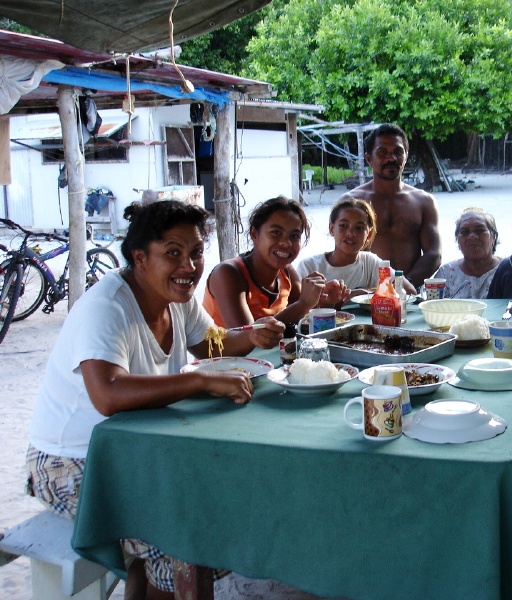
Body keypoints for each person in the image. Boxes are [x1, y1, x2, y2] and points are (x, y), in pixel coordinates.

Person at [25, 200, 285, 599]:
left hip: (139, 449)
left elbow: (211, 343)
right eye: (173, 253)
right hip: (73, 462)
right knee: (179, 536)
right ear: (139, 258)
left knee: (218, 497)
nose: (189, 266)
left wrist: (250, 336)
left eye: (196, 252)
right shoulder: (108, 306)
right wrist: (200, 382)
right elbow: (108, 394)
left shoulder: (176, 299)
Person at [203, 196, 348, 327]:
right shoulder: (228, 273)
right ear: (255, 234)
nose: (286, 243)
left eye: (294, 236)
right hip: (226, 357)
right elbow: (247, 335)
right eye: (276, 233)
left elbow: (303, 319)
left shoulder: (287, 272)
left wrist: (325, 301)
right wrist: (303, 304)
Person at [341, 123, 441, 289]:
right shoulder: (352, 202)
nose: (391, 158)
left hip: (410, 292)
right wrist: (374, 292)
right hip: (364, 295)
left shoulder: (424, 201)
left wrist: (401, 286)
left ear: (406, 156)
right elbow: (344, 253)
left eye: (398, 152)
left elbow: (433, 255)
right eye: (382, 152)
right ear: (369, 159)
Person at [296, 197, 414, 300]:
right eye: (343, 226)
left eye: (359, 228)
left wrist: (363, 293)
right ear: (332, 229)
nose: (351, 233)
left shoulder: (370, 262)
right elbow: (299, 308)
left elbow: (409, 291)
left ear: (369, 234)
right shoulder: (310, 267)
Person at [434, 208, 501, 299]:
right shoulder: (446, 274)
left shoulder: (507, 270)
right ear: (457, 240)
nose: (472, 237)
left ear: (493, 237)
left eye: (480, 230)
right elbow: (433, 308)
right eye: (465, 232)